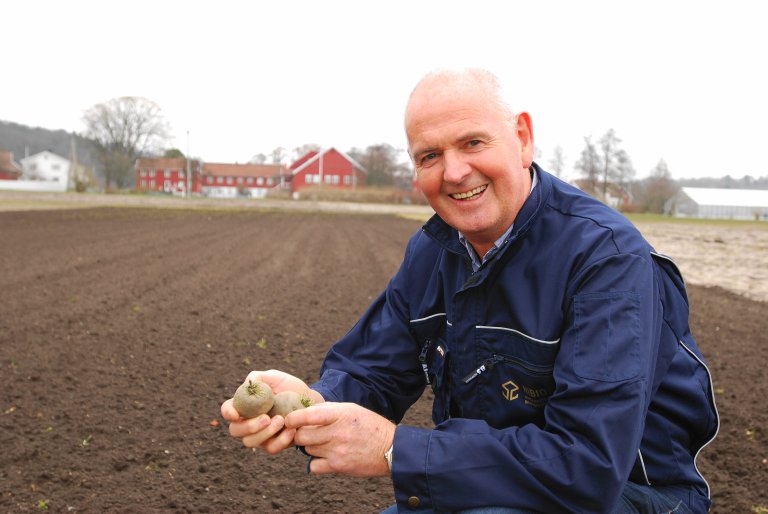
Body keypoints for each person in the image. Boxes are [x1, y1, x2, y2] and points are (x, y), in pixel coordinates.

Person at [221, 68, 719, 513]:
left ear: (522, 138)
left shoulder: (607, 260)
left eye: (473, 143)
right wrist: (310, 404)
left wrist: (397, 450)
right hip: (488, 483)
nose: (454, 172)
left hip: (632, 494)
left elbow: (586, 465)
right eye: (430, 155)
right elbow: (373, 370)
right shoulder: (434, 251)